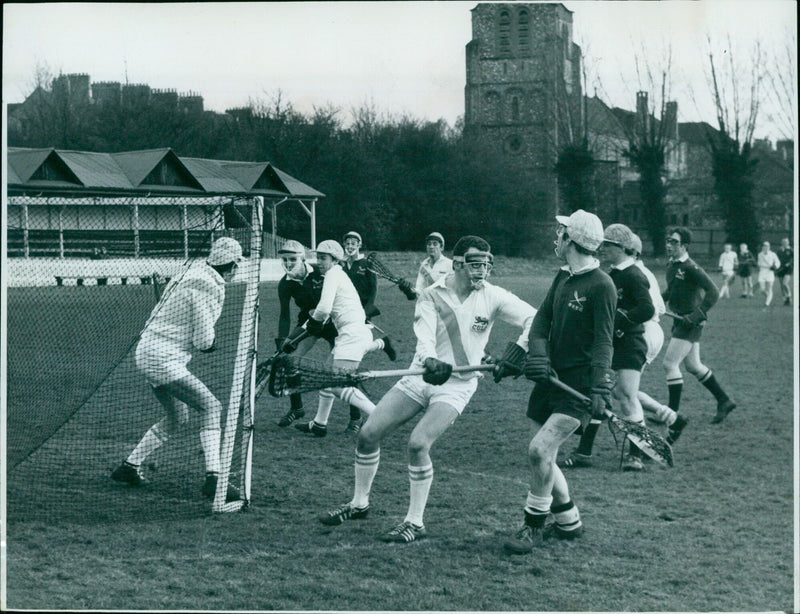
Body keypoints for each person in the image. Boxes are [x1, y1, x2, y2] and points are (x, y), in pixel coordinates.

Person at [318, 235, 536, 543]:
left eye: (487, 265)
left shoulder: (494, 295)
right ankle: (358, 503)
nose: (482, 271)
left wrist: (516, 353)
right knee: (368, 434)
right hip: (421, 376)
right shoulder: (432, 295)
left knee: (418, 444)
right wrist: (431, 361)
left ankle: (415, 522)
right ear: (458, 264)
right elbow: (424, 340)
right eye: (476, 264)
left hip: (457, 387)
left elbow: (534, 318)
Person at [503, 209, 616, 554]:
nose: (556, 237)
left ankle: (532, 526)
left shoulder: (602, 285)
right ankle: (569, 523)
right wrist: (537, 355)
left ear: (572, 240)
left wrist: (598, 387)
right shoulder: (562, 277)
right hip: (551, 380)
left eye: (560, 232)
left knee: (539, 450)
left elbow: (603, 341)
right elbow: (541, 321)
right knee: (545, 455)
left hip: (578, 388)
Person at [111, 237, 243, 501]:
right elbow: (203, 341)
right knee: (211, 407)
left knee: (177, 417)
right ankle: (214, 479)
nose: (238, 269)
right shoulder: (208, 285)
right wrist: (213, 344)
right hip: (163, 357)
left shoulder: (192, 271)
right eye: (237, 264)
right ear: (230, 265)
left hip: (148, 351)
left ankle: (128, 467)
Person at [560, 223, 654, 472]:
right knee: (600, 394)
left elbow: (647, 309)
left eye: (608, 246)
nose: (602, 249)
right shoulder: (611, 275)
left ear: (622, 248)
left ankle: (636, 454)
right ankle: (584, 453)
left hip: (631, 345)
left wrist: (619, 317)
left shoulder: (634, 275)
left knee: (626, 397)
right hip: (612, 344)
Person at [294, 239, 377, 437]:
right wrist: (295, 337)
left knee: (338, 385)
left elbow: (323, 309)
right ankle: (319, 424)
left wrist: (314, 322)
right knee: (328, 379)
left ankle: (380, 416)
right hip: (349, 334)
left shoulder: (333, 275)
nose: (319, 262)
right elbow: (318, 314)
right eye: (318, 257)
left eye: (323, 258)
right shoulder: (334, 274)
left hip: (352, 335)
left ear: (335, 260)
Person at [663, 227, 736, 424]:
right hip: (679, 320)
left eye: (674, 242)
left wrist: (697, 315)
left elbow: (713, 292)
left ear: (685, 245)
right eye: (668, 241)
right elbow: (671, 292)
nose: (669, 245)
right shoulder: (671, 265)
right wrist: (655, 301)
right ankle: (724, 400)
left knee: (670, 364)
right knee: (694, 366)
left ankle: (672, 415)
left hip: (690, 323)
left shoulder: (691, 268)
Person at [630, 233, 688, 446]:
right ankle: (672, 417)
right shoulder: (647, 273)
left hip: (641, 333)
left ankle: (640, 446)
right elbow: (661, 309)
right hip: (653, 332)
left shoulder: (632, 274)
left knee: (626, 392)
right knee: (625, 390)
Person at [274, 240, 338, 428]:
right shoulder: (285, 284)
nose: (288, 263)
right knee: (289, 360)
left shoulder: (321, 271)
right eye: (284, 259)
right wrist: (281, 341)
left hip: (333, 323)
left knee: (343, 368)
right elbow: (284, 315)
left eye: (293, 259)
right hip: (308, 324)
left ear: (302, 258)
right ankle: (297, 408)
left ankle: (355, 417)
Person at [340, 230, 397, 432]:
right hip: (344, 317)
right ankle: (382, 344)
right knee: (346, 365)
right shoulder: (340, 265)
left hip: (362, 315)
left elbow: (373, 292)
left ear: (360, 244)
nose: (350, 245)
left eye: (354, 242)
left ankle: (355, 419)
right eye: (347, 242)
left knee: (347, 370)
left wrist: (366, 312)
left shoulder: (366, 264)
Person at [410, 232, 453, 296]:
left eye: (435, 244)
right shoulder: (424, 265)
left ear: (441, 247)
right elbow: (420, 288)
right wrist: (410, 291)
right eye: (429, 244)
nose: (431, 247)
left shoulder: (450, 265)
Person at [756, 241, 781, 307]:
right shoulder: (760, 254)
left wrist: (775, 266)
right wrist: (762, 265)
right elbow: (759, 263)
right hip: (762, 272)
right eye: (764, 246)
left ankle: (767, 303)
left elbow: (778, 262)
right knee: (762, 290)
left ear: (769, 247)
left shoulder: (773, 254)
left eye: (767, 246)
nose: (765, 247)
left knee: (769, 288)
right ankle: (768, 296)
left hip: (770, 273)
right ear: (762, 247)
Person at [775, 237, 793, 306]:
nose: (785, 243)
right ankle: (785, 299)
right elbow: (776, 259)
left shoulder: (791, 250)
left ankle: (789, 296)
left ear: (788, 243)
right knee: (782, 285)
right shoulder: (779, 250)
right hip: (780, 269)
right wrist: (776, 267)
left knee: (785, 283)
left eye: (786, 242)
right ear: (781, 243)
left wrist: (789, 263)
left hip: (788, 269)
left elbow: (794, 258)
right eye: (783, 242)